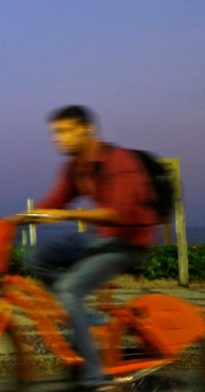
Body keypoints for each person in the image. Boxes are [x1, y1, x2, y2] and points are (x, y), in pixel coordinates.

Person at [18, 105, 157, 391]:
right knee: (35, 257)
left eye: (67, 130)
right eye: (56, 132)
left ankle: (96, 377)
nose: (60, 137)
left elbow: (119, 213)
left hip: (128, 242)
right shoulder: (74, 167)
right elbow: (52, 204)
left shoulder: (118, 161)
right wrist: (10, 222)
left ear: (88, 130)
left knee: (69, 289)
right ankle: (84, 314)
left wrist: (68, 215)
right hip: (100, 237)